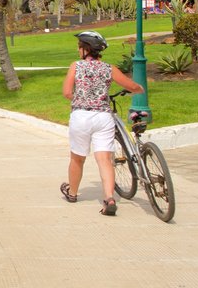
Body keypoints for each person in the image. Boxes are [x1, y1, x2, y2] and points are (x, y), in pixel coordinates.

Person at [60, 30, 143, 216]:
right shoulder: (108, 68)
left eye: (79, 46)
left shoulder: (76, 66)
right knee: (104, 159)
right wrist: (140, 89)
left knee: (77, 158)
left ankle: (72, 193)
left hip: (81, 116)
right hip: (103, 117)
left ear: (85, 49)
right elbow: (131, 86)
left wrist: (80, 98)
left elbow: (66, 92)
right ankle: (109, 198)